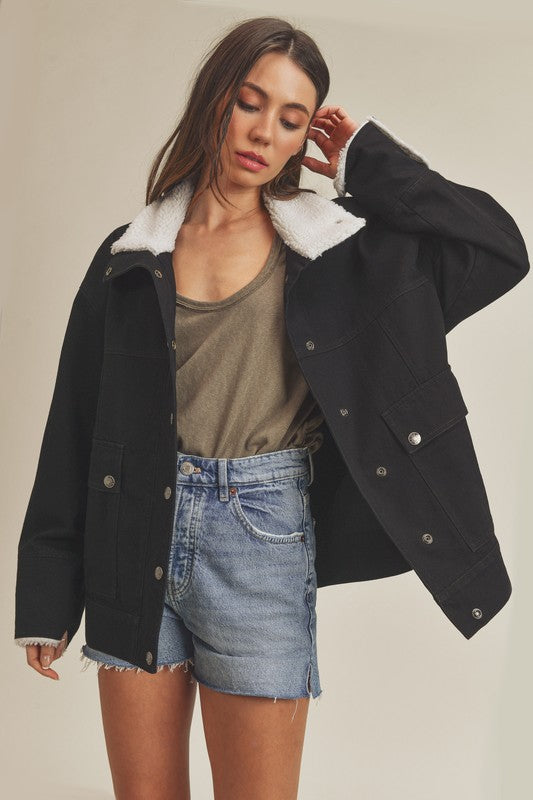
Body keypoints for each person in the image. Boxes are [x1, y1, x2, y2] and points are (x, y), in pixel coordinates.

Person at [13, 15, 530, 800]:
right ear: (214, 100)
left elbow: (498, 248)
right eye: (250, 104)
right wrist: (49, 593)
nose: (264, 133)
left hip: (259, 537)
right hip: (133, 530)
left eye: (292, 119)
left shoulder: (339, 255)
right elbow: (76, 423)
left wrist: (370, 162)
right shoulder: (131, 254)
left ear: (304, 139)